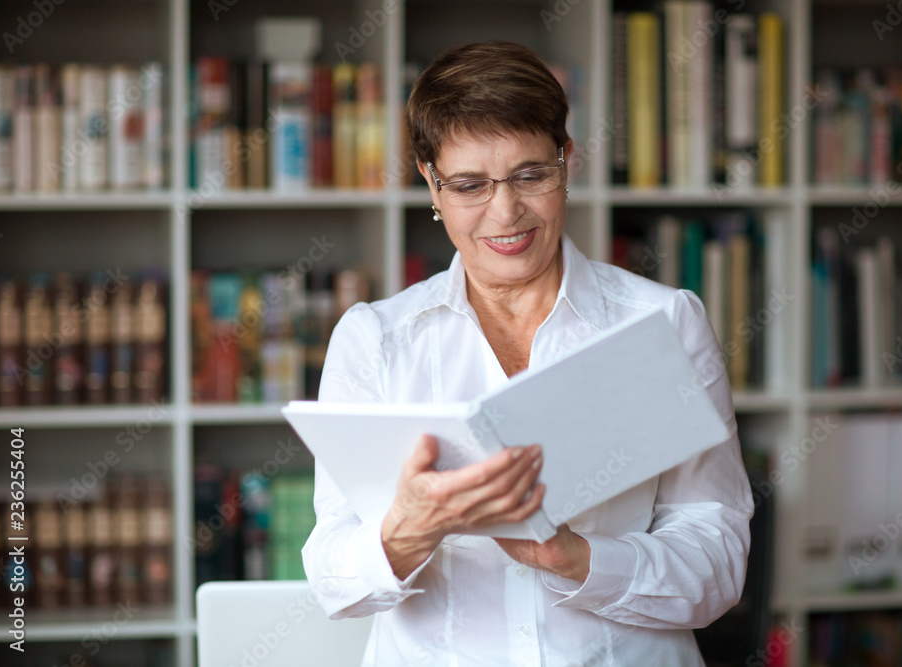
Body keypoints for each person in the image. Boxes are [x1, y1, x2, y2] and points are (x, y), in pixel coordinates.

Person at [302, 41, 754, 666]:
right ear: (430, 183)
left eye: (530, 175)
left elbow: (719, 556)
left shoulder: (664, 324)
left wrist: (579, 560)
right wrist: (407, 531)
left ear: (566, 162)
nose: (506, 212)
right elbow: (330, 578)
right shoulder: (375, 340)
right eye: (468, 185)